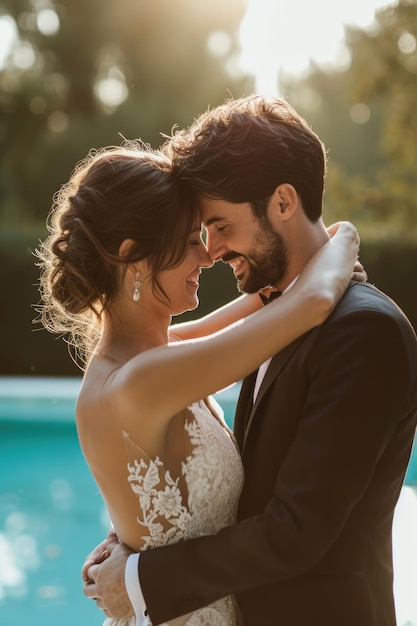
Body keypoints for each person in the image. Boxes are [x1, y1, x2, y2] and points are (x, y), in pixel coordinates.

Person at [83, 96, 417, 626]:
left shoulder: (362, 331)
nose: (210, 250)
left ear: (283, 202)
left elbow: (296, 531)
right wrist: (140, 529)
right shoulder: (279, 313)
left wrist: (143, 577)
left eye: (219, 225)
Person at [36, 140, 361, 626]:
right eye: (191, 240)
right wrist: (346, 237)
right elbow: (310, 303)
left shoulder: (148, 354)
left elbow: (267, 303)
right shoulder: (141, 380)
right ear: (136, 258)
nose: (207, 255)